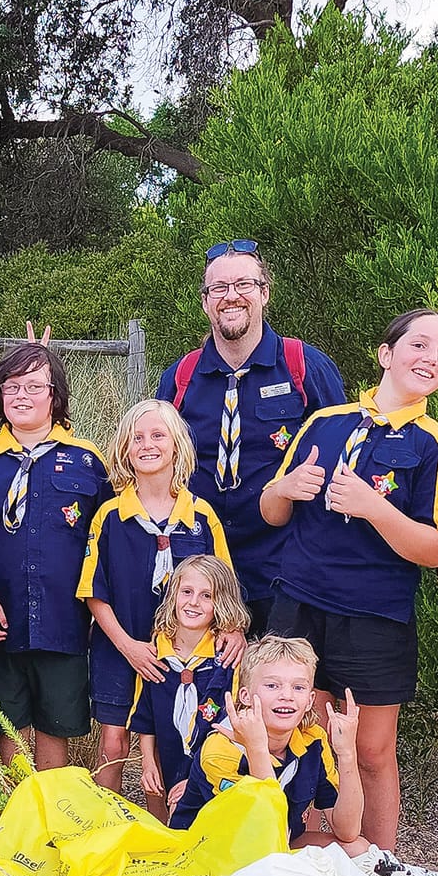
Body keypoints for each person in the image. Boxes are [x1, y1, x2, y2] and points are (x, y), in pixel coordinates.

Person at [260, 308, 438, 851]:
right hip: (299, 606)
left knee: (370, 751)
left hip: (373, 615)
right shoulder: (325, 422)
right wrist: (284, 490)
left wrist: (376, 508)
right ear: (386, 354)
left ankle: (378, 871)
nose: (431, 359)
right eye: (420, 345)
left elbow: (434, 548)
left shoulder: (434, 446)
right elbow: (270, 510)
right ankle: (310, 859)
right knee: (306, 741)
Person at [155, 239, 347, 620]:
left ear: (264, 293)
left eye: (243, 284)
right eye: (219, 289)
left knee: (278, 679)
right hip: (198, 572)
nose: (232, 297)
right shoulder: (180, 378)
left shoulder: (303, 366)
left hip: (285, 570)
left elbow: (343, 460)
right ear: (206, 301)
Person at [0, 343, 109, 771]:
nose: (21, 395)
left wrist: (98, 609)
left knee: (55, 722)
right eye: (12, 385)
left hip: (64, 619)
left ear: (55, 395)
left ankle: (51, 810)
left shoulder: (87, 461)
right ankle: (16, 806)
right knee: (7, 720)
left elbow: (105, 540)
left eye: (34, 386)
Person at [78, 398, 237, 792]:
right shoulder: (110, 517)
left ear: (177, 445)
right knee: (112, 744)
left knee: (183, 741)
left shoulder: (202, 518)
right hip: (122, 646)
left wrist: (233, 631)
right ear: (125, 450)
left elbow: (225, 588)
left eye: (158, 435)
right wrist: (129, 646)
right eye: (137, 438)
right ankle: (106, 830)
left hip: (186, 653)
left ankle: (177, 829)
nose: (147, 444)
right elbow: (94, 592)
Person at [170, 635, 362, 851]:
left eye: (298, 687)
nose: (286, 695)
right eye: (272, 685)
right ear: (245, 696)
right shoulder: (221, 750)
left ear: (309, 700)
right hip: (213, 853)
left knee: (356, 848)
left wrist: (347, 754)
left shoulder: (313, 739)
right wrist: (257, 749)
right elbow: (259, 833)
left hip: (276, 844)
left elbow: (348, 830)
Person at [129, 553, 248, 822]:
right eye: (187, 591)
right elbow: (145, 716)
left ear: (223, 602)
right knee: (168, 828)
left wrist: (196, 778)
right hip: (169, 760)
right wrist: (147, 762)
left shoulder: (229, 659)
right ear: (173, 596)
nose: (194, 602)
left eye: (207, 595)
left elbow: (233, 730)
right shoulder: (157, 654)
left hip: (215, 770)